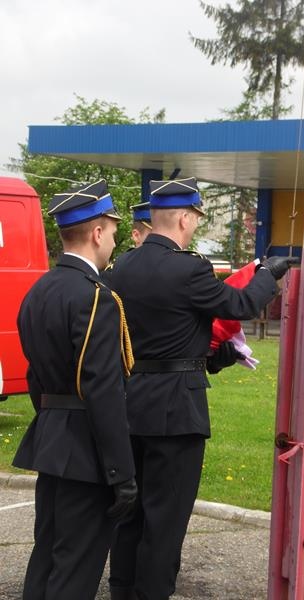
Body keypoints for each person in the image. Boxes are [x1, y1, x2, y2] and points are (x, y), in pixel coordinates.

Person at [108, 176, 298, 600]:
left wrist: (211, 355)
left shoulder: (122, 267)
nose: (195, 224)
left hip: (130, 402)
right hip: (176, 409)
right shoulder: (188, 267)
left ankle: (122, 589)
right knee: (166, 519)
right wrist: (267, 274)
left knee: (130, 510)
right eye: (195, 217)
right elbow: (239, 305)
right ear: (183, 218)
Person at [13, 179, 138, 600]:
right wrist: (122, 473)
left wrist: (55, 420)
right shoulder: (96, 296)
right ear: (97, 233)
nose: (115, 240)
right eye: (113, 231)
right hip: (86, 449)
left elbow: (35, 376)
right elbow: (103, 388)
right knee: (76, 569)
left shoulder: (39, 290)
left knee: (47, 558)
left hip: (52, 438)